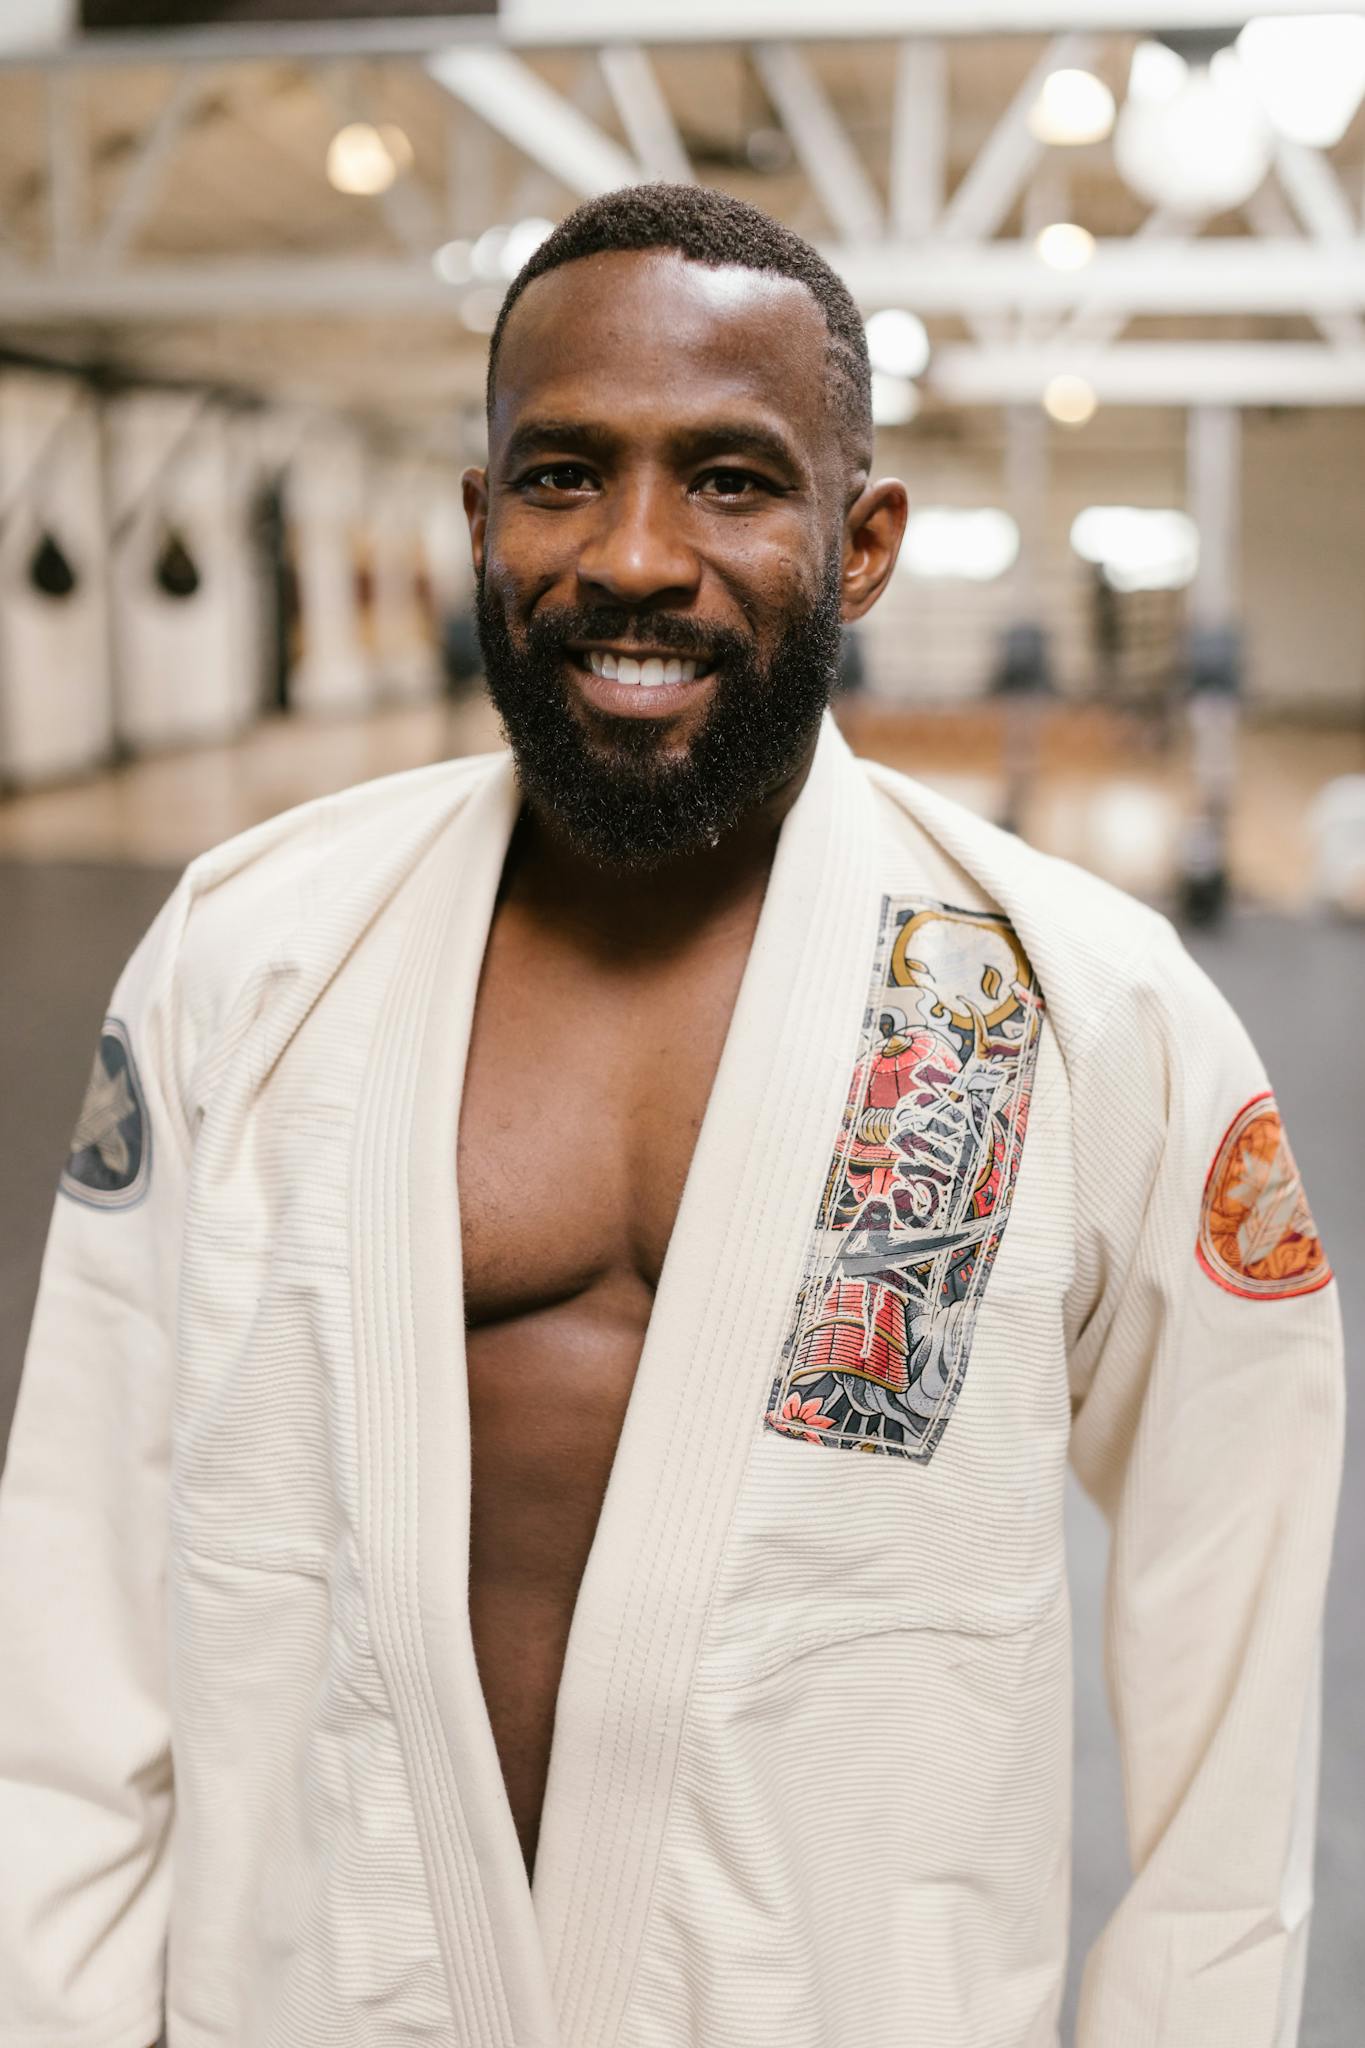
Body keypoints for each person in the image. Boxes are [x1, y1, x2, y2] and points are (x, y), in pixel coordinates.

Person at [0, 185, 1342, 2048]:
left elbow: (1236, 1610)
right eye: (561, 475)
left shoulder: (1086, 1013)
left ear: (859, 540)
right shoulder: (252, 954)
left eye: (728, 478)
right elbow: (70, 1592)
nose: (635, 554)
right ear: (478, 521)